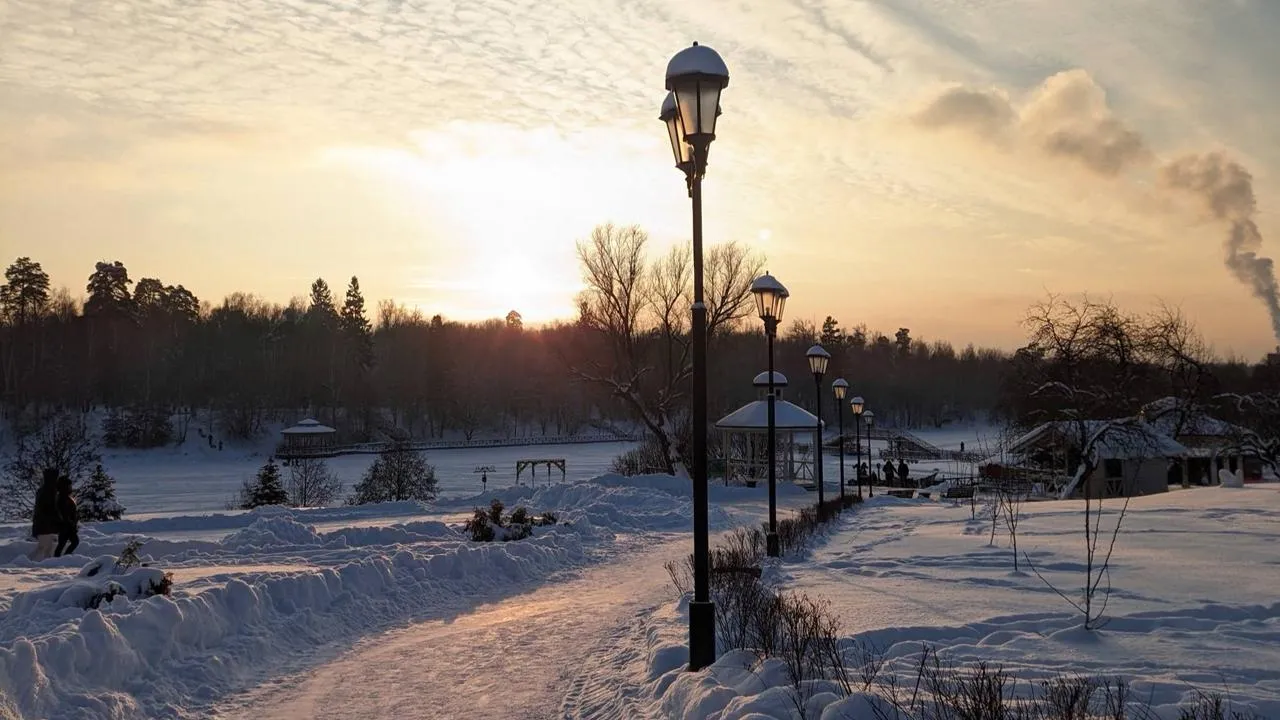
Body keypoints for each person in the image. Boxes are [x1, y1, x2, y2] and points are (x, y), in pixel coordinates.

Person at [28, 469, 60, 561]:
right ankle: (27, 562)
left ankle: (26, 561)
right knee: (47, 548)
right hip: (46, 525)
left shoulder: (41, 490)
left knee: (43, 547)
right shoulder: (51, 491)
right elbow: (52, 509)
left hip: (40, 525)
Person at [55, 475, 79, 557]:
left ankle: (63, 557)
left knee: (63, 544)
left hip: (67, 525)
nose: (70, 487)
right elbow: (64, 513)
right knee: (65, 543)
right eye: (69, 486)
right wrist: (70, 523)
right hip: (66, 526)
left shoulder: (65, 497)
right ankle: (61, 558)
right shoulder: (62, 498)